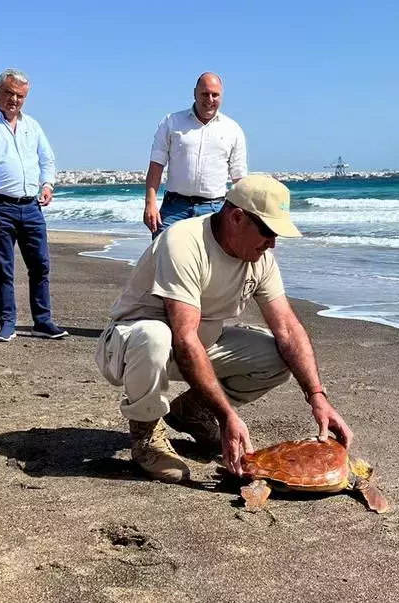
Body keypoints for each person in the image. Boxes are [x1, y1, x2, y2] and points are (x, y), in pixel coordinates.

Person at [96, 175, 353, 483]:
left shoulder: (259, 259)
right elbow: (184, 336)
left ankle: (192, 412)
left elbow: (288, 328)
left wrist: (317, 397)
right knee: (155, 336)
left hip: (197, 345)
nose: (273, 243)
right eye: (269, 231)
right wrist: (227, 416)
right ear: (237, 217)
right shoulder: (185, 243)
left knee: (277, 356)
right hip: (131, 346)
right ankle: (146, 434)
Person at [0, 68, 68, 342]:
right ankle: (7, 322)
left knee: (40, 265)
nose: (14, 100)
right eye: (9, 93)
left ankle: (43, 321)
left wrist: (47, 184)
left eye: (20, 96)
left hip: (31, 206)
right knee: (4, 267)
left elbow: (48, 159)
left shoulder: (32, 125)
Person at [143, 72, 248, 238]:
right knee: (163, 259)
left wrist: (247, 217)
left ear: (222, 96)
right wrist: (150, 203)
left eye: (215, 95)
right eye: (205, 94)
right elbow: (156, 166)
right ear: (194, 93)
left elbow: (239, 177)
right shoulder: (171, 122)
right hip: (174, 208)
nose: (210, 99)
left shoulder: (233, 129)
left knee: (213, 263)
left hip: (215, 209)